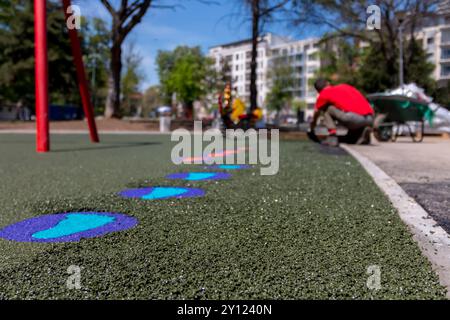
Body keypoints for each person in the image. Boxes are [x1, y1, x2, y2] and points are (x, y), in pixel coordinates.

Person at [310, 79, 374, 147]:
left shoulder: (324, 93)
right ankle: (362, 134)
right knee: (350, 139)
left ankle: (332, 138)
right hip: (370, 118)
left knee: (327, 109)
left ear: (318, 91)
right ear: (328, 83)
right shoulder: (345, 86)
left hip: (353, 119)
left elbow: (317, 111)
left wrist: (313, 125)